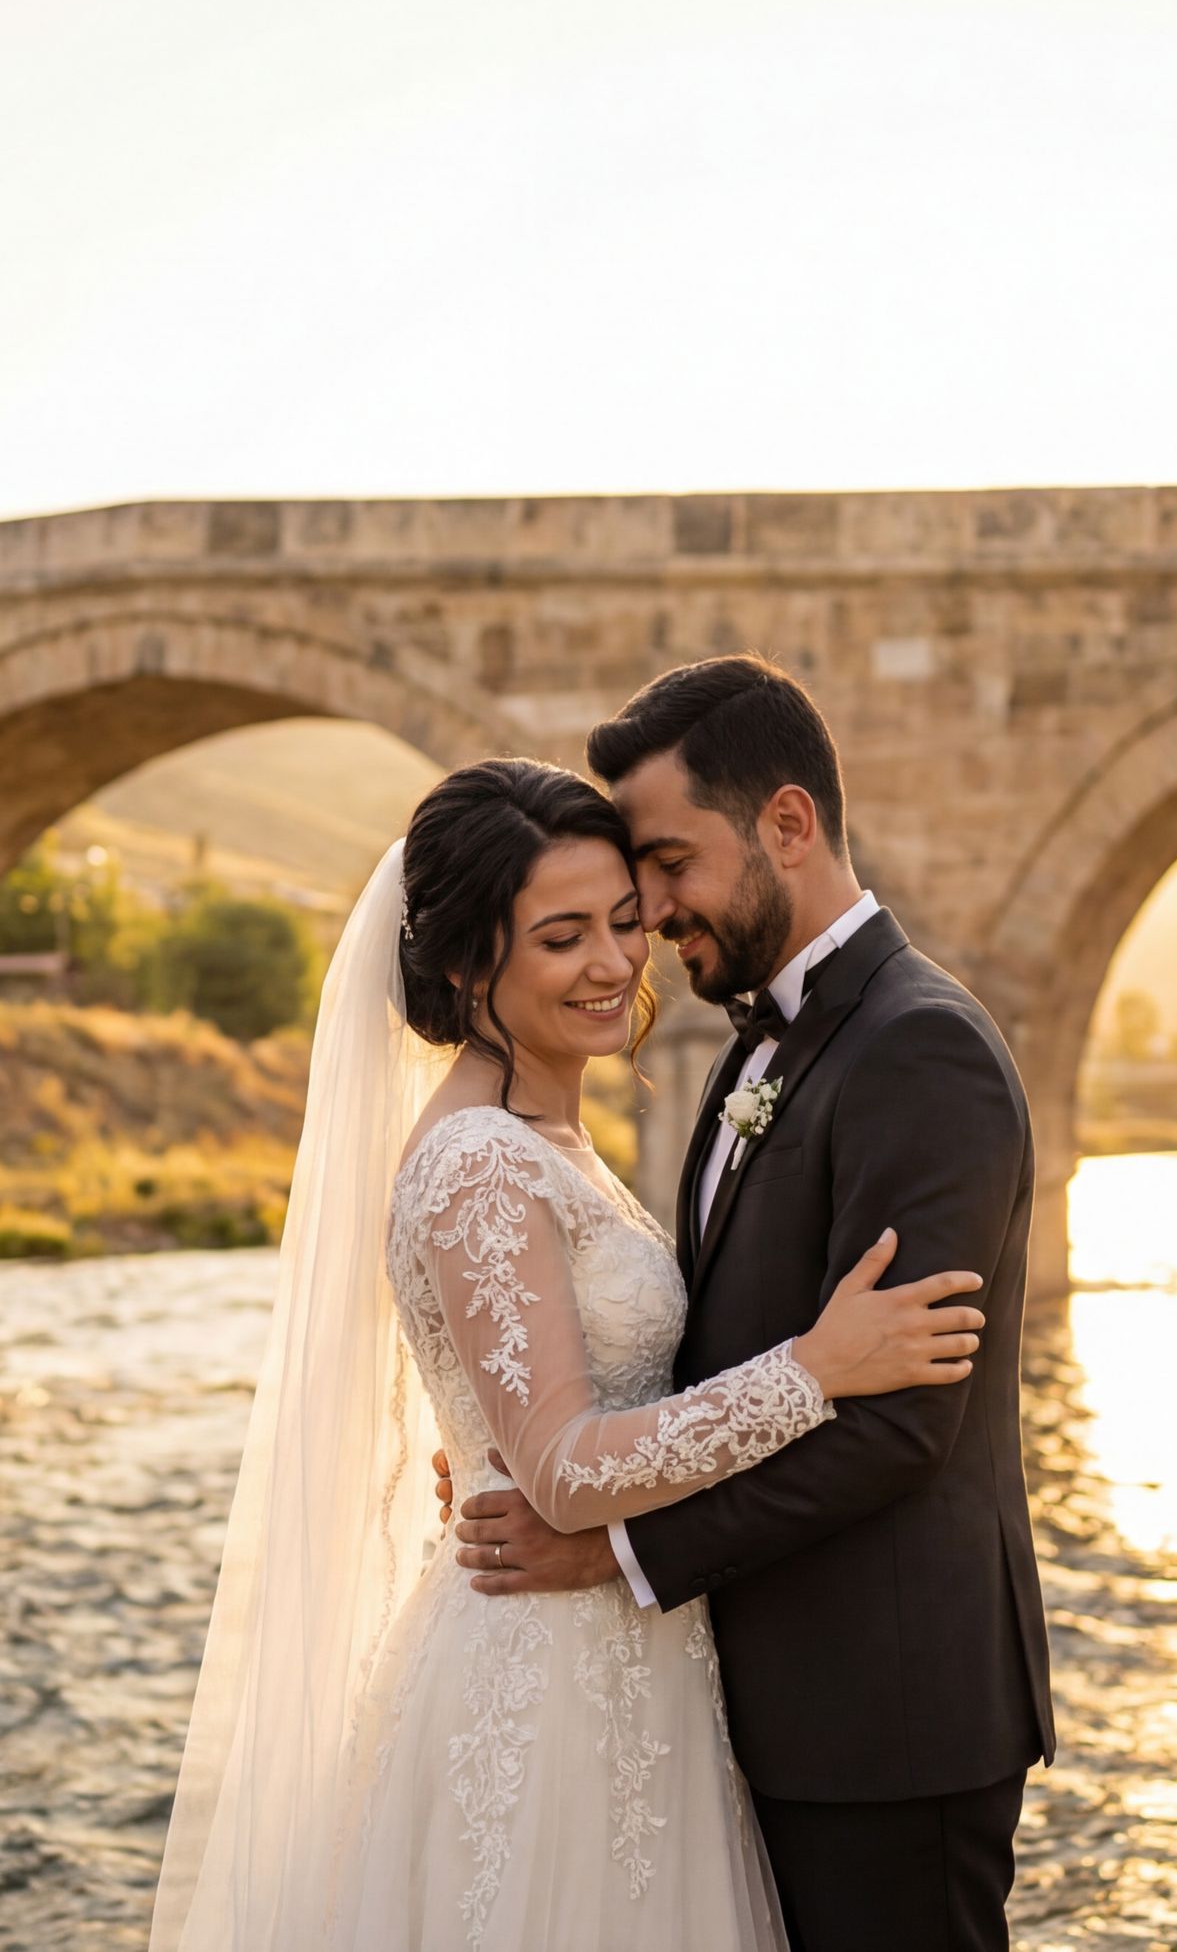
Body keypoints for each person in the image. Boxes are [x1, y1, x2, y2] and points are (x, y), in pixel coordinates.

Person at [149, 753, 986, 1951]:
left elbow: (549, 1412)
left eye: (623, 922)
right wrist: (814, 1369)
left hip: (630, 1654)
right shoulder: (480, 1162)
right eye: (561, 937)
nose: (613, 963)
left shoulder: (545, 1137)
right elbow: (564, 1471)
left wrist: (497, 1443)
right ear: (465, 964)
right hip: (546, 1675)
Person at [445, 656, 1054, 1952]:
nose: (652, 918)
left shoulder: (919, 1047)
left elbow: (900, 1426)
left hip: (886, 1722)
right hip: (758, 1706)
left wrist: (614, 1552)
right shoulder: (756, 1045)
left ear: (787, 822)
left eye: (669, 866)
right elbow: (716, 1350)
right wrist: (534, 1441)